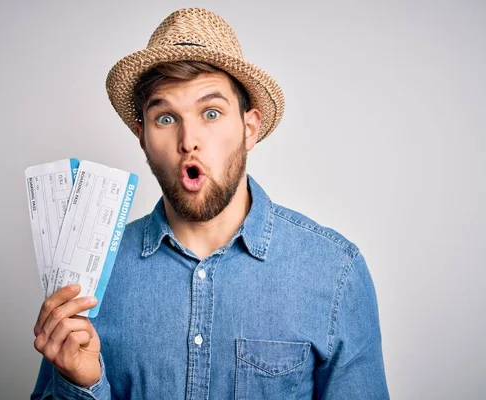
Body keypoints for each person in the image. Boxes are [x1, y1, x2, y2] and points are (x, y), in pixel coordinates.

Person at [31, 7, 389, 399]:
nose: (188, 140)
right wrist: (80, 385)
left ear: (249, 129)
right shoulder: (92, 275)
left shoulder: (334, 271)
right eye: (165, 118)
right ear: (142, 137)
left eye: (211, 113)